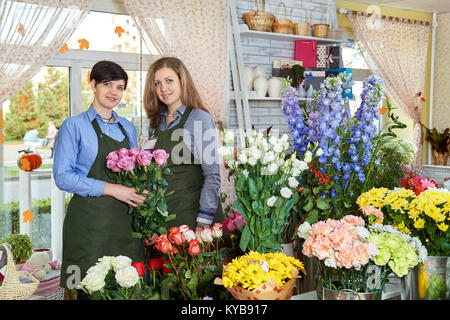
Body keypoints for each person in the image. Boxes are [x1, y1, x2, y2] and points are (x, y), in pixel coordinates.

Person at [53, 60, 145, 298]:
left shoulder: (128, 128)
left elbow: (136, 175)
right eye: (107, 84)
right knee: (88, 289)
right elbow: (63, 177)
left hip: (125, 225)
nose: (113, 92)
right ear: (93, 84)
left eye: (120, 87)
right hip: (88, 226)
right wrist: (113, 189)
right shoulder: (73, 126)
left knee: (126, 291)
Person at [144, 57, 223, 233]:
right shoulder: (155, 124)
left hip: (194, 218)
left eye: (169, 80)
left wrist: (203, 224)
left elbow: (212, 176)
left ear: (182, 81)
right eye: (157, 83)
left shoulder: (199, 119)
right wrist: (152, 223)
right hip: (165, 219)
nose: (163, 88)